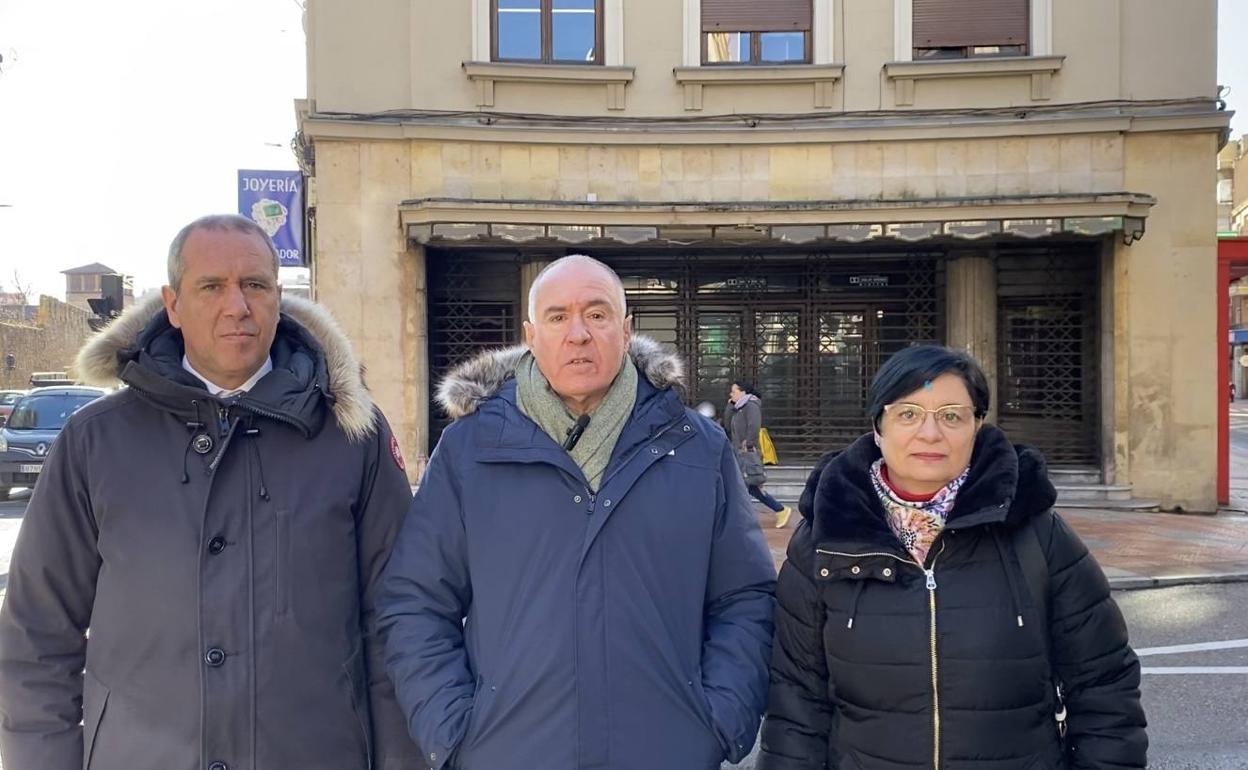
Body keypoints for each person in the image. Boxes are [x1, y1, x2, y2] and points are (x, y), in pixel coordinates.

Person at [0, 214, 419, 770]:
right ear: (173, 305)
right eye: (211, 286)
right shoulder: (96, 440)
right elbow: (38, 635)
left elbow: (396, 623)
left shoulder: (351, 437)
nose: (237, 306)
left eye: (255, 285)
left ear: (278, 297)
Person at [378, 254, 777, 770]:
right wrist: (453, 733)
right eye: (558, 316)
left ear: (627, 329)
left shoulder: (697, 448)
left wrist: (719, 720)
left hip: (667, 750)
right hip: (507, 752)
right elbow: (416, 604)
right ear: (531, 333)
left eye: (597, 313)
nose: (579, 333)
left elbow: (743, 598)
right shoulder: (469, 451)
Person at [758, 345, 1147, 770]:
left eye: (951, 416)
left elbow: (1104, 686)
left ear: (977, 426)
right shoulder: (828, 540)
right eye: (908, 414)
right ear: (878, 427)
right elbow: (796, 699)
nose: (930, 434)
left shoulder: (1037, 535)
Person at [726, 380, 792, 528]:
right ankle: (779, 510)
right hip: (738, 452)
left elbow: (754, 426)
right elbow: (727, 424)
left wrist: (749, 444)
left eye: (734, 391)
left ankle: (779, 509)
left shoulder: (751, 406)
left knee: (747, 485)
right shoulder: (738, 408)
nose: (731, 394)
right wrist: (730, 406)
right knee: (747, 486)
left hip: (747, 453)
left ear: (743, 392)